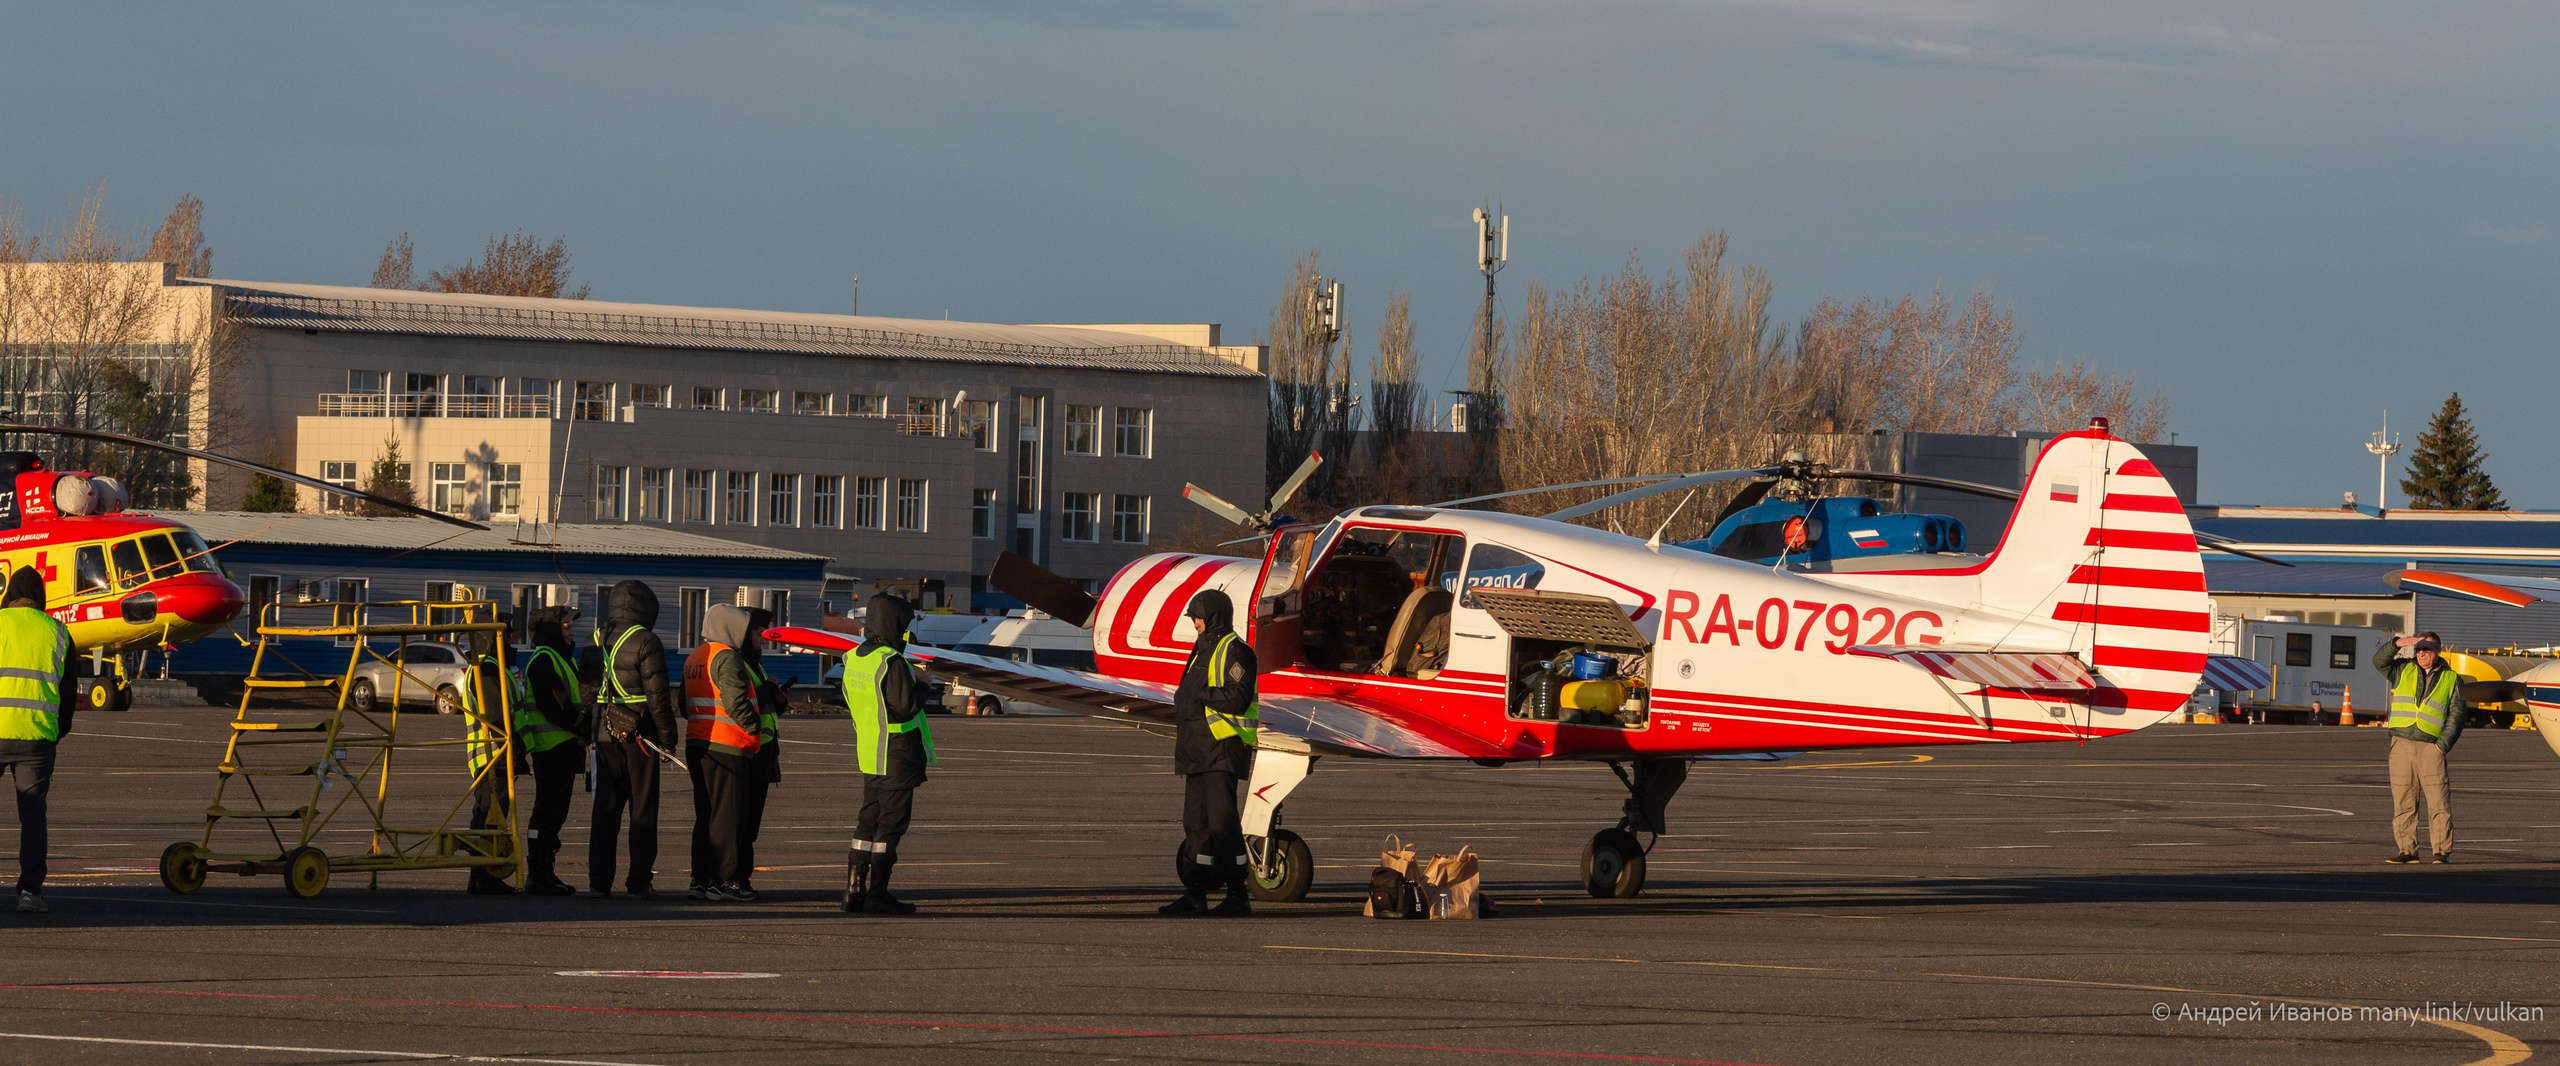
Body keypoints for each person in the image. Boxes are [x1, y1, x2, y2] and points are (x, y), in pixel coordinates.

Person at [1161, 590, 1258, 918]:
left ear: (1214, 617)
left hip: (1221, 749)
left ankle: (1238, 893)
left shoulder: (1235, 650)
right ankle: (1196, 891)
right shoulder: (1201, 650)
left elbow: (1238, 698)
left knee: (1223, 824)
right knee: (1195, 824)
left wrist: (1198, 693)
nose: (1195, 623)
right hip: (1197, 751)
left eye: (1199, 617)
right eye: (1193, 617)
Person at [839, 593, 932, 914]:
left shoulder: (854, 657)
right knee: (890, 825)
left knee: (867, 823)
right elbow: (906, 707)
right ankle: (878, 894)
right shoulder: (891, 661)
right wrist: (925, 684)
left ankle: (854, 890)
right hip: (897, 754)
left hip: (870, 753)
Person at [590, 580, 681, 899]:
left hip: (603, 735)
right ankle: (638, 881)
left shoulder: (596, 637)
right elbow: (658, 698)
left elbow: (586, 691)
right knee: (642, 810)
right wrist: (668, 740)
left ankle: (599, 882)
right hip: (639, 736)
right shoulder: (647, 641)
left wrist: (590, 730)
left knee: (605, 811)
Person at [0, 566, 73, 913]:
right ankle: (30, 892)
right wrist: (57, 732)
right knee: (32, 817)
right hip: (37, 739)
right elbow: (68, 693)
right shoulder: (58, 632)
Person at [683, 604, 762, 901]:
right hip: (727, 745)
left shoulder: (695, 657)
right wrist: (753, 727)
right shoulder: (727, 657)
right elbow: (735, 701)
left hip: (698, 742)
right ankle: (725, 880)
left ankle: (700, 879)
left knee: (705, 815)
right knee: (728, 817)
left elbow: (683, 703)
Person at [2376, 631, 2465, 864]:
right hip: (2401, 743)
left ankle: (2441, 851)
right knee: (2403, 800)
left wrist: (2442, 746)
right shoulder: (2402, 669)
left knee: (2438, 801)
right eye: (2418, 649)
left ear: (2438, 650)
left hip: (2431, 747)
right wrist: (2396, 644)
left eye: (2426, 649)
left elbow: (2457, 715)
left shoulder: (2452, 679)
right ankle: (2407, 850)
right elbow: (2379, 661)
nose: (2421, 653)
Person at [518, 606, 588, 896]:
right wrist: (587, 728)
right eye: (566, 625)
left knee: (556, 813)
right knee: (547, 812)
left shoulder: (561, 658)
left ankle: (544, 872)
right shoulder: (544, 660)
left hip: (564, 748)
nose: (572, 631)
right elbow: (557, 707)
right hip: (552, 749)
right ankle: (538, 873)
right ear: (551, 630)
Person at [460, 626, 520, 894]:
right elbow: (497, 717)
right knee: (489, 816)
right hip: (493, 754)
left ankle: (481, 874)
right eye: (507, 637)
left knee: (486, 814)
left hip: (489, 754)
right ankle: (484, 875)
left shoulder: (488, 668)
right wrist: (514, 753)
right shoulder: (487, 670)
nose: (511, 642)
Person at [735, 605, 784, 897]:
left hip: (763, 751)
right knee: (742, 821)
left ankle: (742, 876)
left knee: (751, 824)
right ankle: (737, 878)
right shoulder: (737, 663)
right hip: (747, 751)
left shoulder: (755, 663)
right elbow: (743, 701)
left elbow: (764, 706)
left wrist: (778, 698)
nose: (761, 641)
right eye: (757, 634)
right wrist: (768, 691)